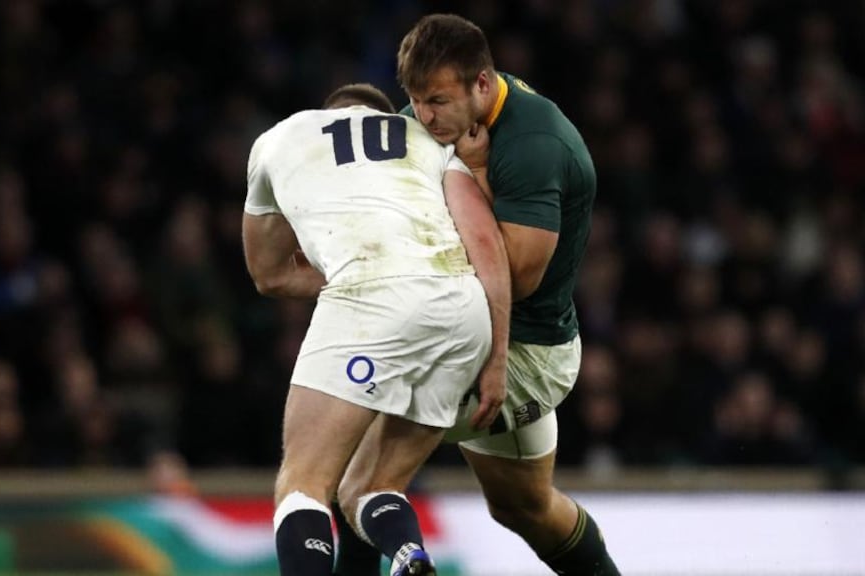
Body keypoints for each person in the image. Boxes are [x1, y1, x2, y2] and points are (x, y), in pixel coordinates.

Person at [332, 14, 621, 576]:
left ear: (482, 85)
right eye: (415, 100)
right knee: (526, 507)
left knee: (358, 478)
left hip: (524, 353)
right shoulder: (436, 119)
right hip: (465, 331)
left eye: (437, 100)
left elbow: (517, 273)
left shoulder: (534, 144)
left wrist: (479, 172)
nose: (423, 116)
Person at [243, 83, 511, 576]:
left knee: (303, 485)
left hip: (372, 296)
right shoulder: (430, 140)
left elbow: (268, 273)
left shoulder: (281, 138)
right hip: (465, 311)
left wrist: (348, 272)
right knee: (370, 488)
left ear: (330, 115)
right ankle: (409, 553)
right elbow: (484, 241)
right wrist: (496, 360)